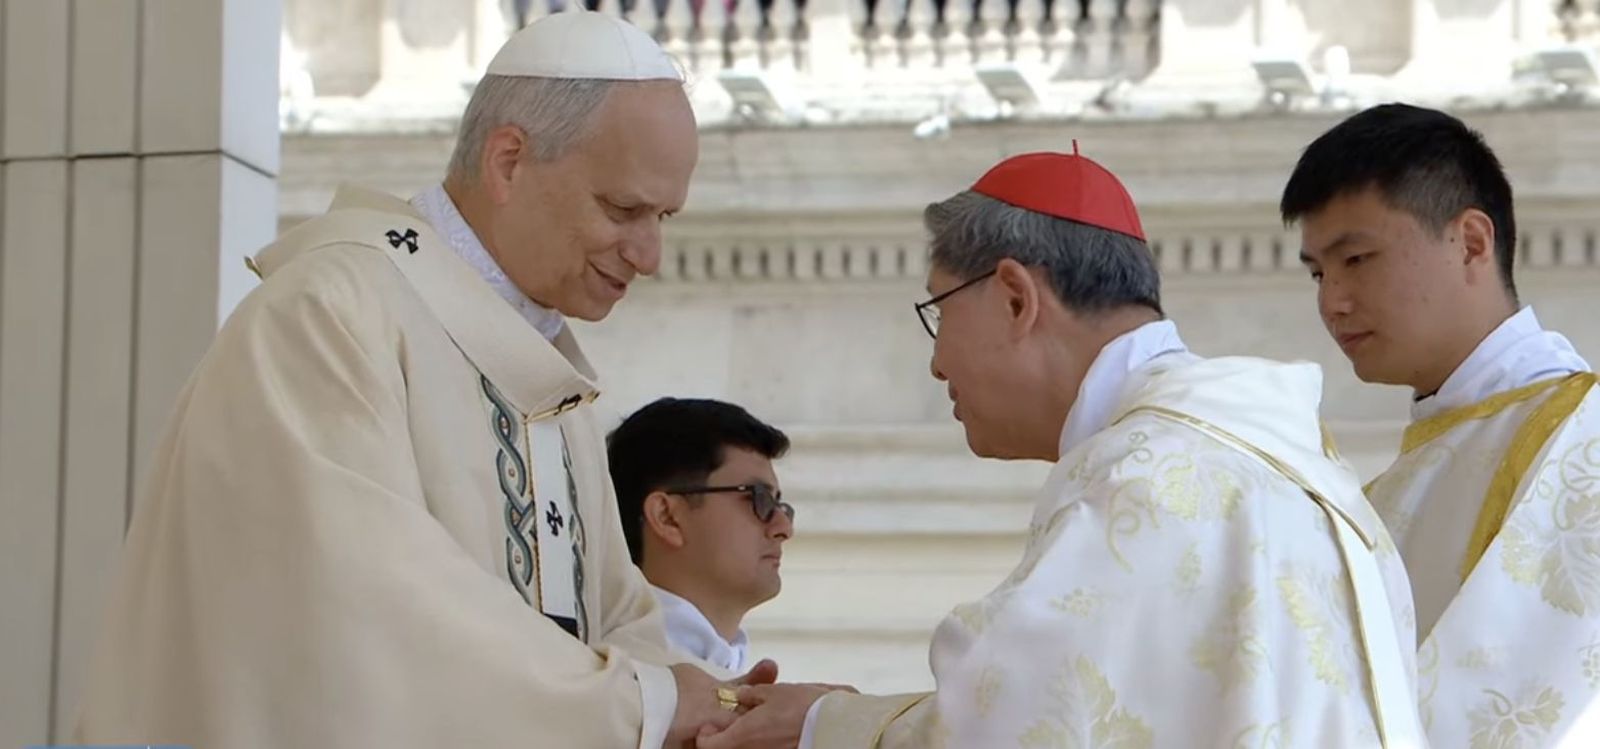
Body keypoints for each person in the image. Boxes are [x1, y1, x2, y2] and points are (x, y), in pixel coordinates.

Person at [73, 11, 772, 748]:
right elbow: (377, 608)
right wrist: (646, 705)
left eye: (663, 215)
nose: (650, 253)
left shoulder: (542, 377)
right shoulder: (331, 313)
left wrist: (719, 703)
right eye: (624, 208)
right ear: (508, 161)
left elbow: (616, 616)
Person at [702, 149, 1425, 748]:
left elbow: (1008, 729)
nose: (936, 364)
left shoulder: (1147, 475)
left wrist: (825, 725)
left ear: (1016, 296)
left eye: (939, 311)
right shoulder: (1305, 470)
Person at [1283, 103, 1599, 748]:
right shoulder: (1388, 492)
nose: (1331, 302)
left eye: (1358, 259)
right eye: (1318, 272)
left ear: (1472, 242)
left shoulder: (1581, 439)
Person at [608, 397, 796, 677]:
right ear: (667, 517)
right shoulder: (614, 682)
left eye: (780, 505)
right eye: (759, 498)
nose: (784, 528)